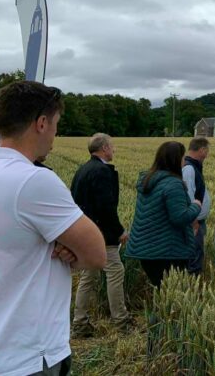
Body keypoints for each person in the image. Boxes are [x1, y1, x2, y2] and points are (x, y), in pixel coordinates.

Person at [0, 81, 106, 376]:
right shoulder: (33, 180)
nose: (55, 134)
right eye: (55, 124)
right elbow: (96, 254)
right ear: (41, 123)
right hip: (28, 354)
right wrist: (68, 249)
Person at [71, 133, 131, 337]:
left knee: (88, 276)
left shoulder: (83, 170)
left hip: (83, 232)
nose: (113, 149)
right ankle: (121, 321)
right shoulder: (102, 172)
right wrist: (119, 231)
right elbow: (106, 208)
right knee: (115, 271)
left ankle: (79, 322)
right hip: (101, 235)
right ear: (104, 148)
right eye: (111, 146)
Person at [125, 141, 201, 288]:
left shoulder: (147, 181)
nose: (184, 161)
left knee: (160, 292)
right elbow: (179, 217)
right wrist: (195, 206)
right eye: (182, 157)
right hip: (168, 251)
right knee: (171, 294)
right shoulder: (173, 184)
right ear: (175, 159)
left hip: (146, 250)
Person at [182, 137, 211, 274]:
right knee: (194, 256)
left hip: (196, 221)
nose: (207, 155)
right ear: (202, 150)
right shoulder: (189, 168)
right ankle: (192, 284)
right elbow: (188, 197)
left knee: (195, 253)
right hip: (194, 223)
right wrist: (194, 222)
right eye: (207, 151)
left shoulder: (192, 166)